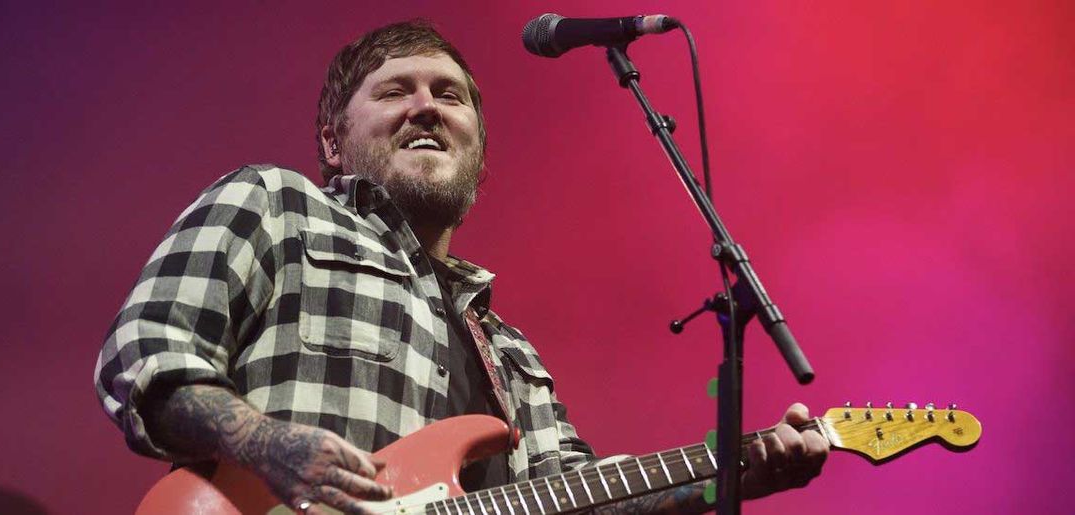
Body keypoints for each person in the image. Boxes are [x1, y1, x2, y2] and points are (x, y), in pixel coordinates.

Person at [93, 20, 828, 515]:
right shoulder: (275, 204)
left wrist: (735, 472)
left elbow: (584, 496)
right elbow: (145, 356)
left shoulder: (510, 354)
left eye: (449, 97)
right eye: (395, 91)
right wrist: (268, 444)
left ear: (477, 150)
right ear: (331, 141)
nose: (427, 107)